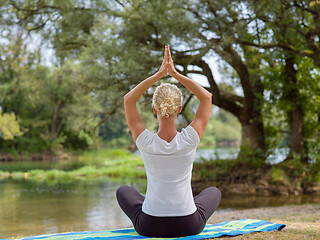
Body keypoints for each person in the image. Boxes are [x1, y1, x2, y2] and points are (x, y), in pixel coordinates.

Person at [116, 45, 221, 237]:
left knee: (123, 191)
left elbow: (129, 100)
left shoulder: (145, 141)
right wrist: (175, 74)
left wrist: (158, 75)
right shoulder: (190, 139)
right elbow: (206, 98)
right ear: (179, 108)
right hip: (188, 224)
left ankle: (154, 204)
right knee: (213, 191)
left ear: (154, 109)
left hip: (150, 226)